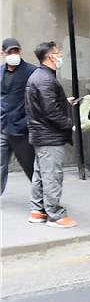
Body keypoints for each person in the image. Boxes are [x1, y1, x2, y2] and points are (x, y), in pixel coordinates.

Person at [26, 41, 78, 228]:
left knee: (41, 174)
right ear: (50, 56)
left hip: (42, 134)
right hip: (49, 136)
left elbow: (46, 105)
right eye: (58, 52)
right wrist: (69, 123)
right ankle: (55, 215)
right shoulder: (45, 79)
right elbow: (51, 112)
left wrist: (64, 103)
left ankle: (37, 211)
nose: (60, 55)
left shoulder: (40, 76)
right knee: (52, 175)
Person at [1, 38, 36, 195]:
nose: (13, 54)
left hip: (21, 128)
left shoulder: (31, 71)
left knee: (30, 165)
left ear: (20, 51)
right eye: (10, 52)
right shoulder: (0, 71)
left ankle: (43, 198)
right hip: (3, 126)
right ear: (3, 53)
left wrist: (27, 120)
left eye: (16, 51)